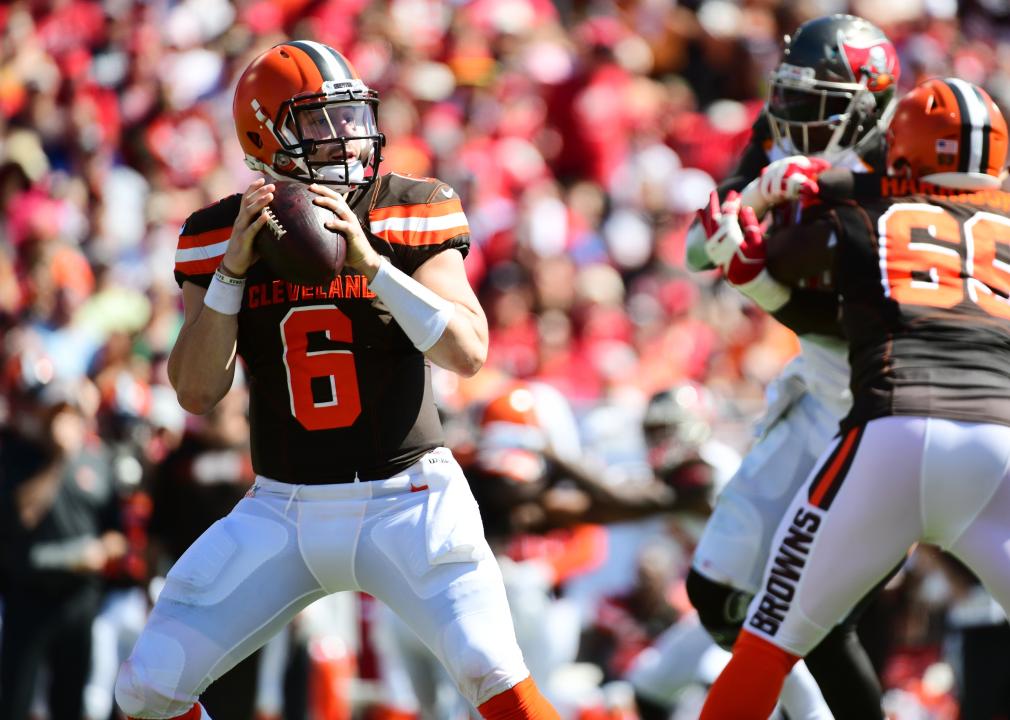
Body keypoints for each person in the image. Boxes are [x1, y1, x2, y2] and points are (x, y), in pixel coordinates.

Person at [115, 40, 559, 720]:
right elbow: (198, 391)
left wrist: (375, 265)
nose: (348, 136)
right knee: (148, 686)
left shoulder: (409, 206)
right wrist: (232, 274)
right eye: (320, 122)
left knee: (492, 674)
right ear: (265, 135)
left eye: (351, 116)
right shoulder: (214, 236)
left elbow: (468, 351)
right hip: (282, 506)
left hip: (409, 496)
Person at [699, 76, 1010, 719]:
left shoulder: (863, 207)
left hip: (890, 436)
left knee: (766, 644)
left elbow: (770, 255)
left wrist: (756, 251)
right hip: (998, 445)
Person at [682, 14, 898, 718]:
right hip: (818, 391)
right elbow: (696, 247)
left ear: (871, 104)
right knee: (719, 595)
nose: (797, 120)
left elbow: (867, 324)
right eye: (793, 98)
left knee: (823, 616)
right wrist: (755, 200)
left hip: (894, 397)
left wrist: (758, 280)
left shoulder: (904, 168)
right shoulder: (780, 132)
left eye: (821, 103)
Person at [0, 377, 127, 720]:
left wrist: (99, 551)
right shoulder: (19, 457)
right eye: (57, 414)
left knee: (69, 702)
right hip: (29, 593)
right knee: (15, 699)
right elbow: (22, 514)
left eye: (70, 414)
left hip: (78, 598)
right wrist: (58, 461)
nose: (63, 422)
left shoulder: (99, 461)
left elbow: (117, 533)